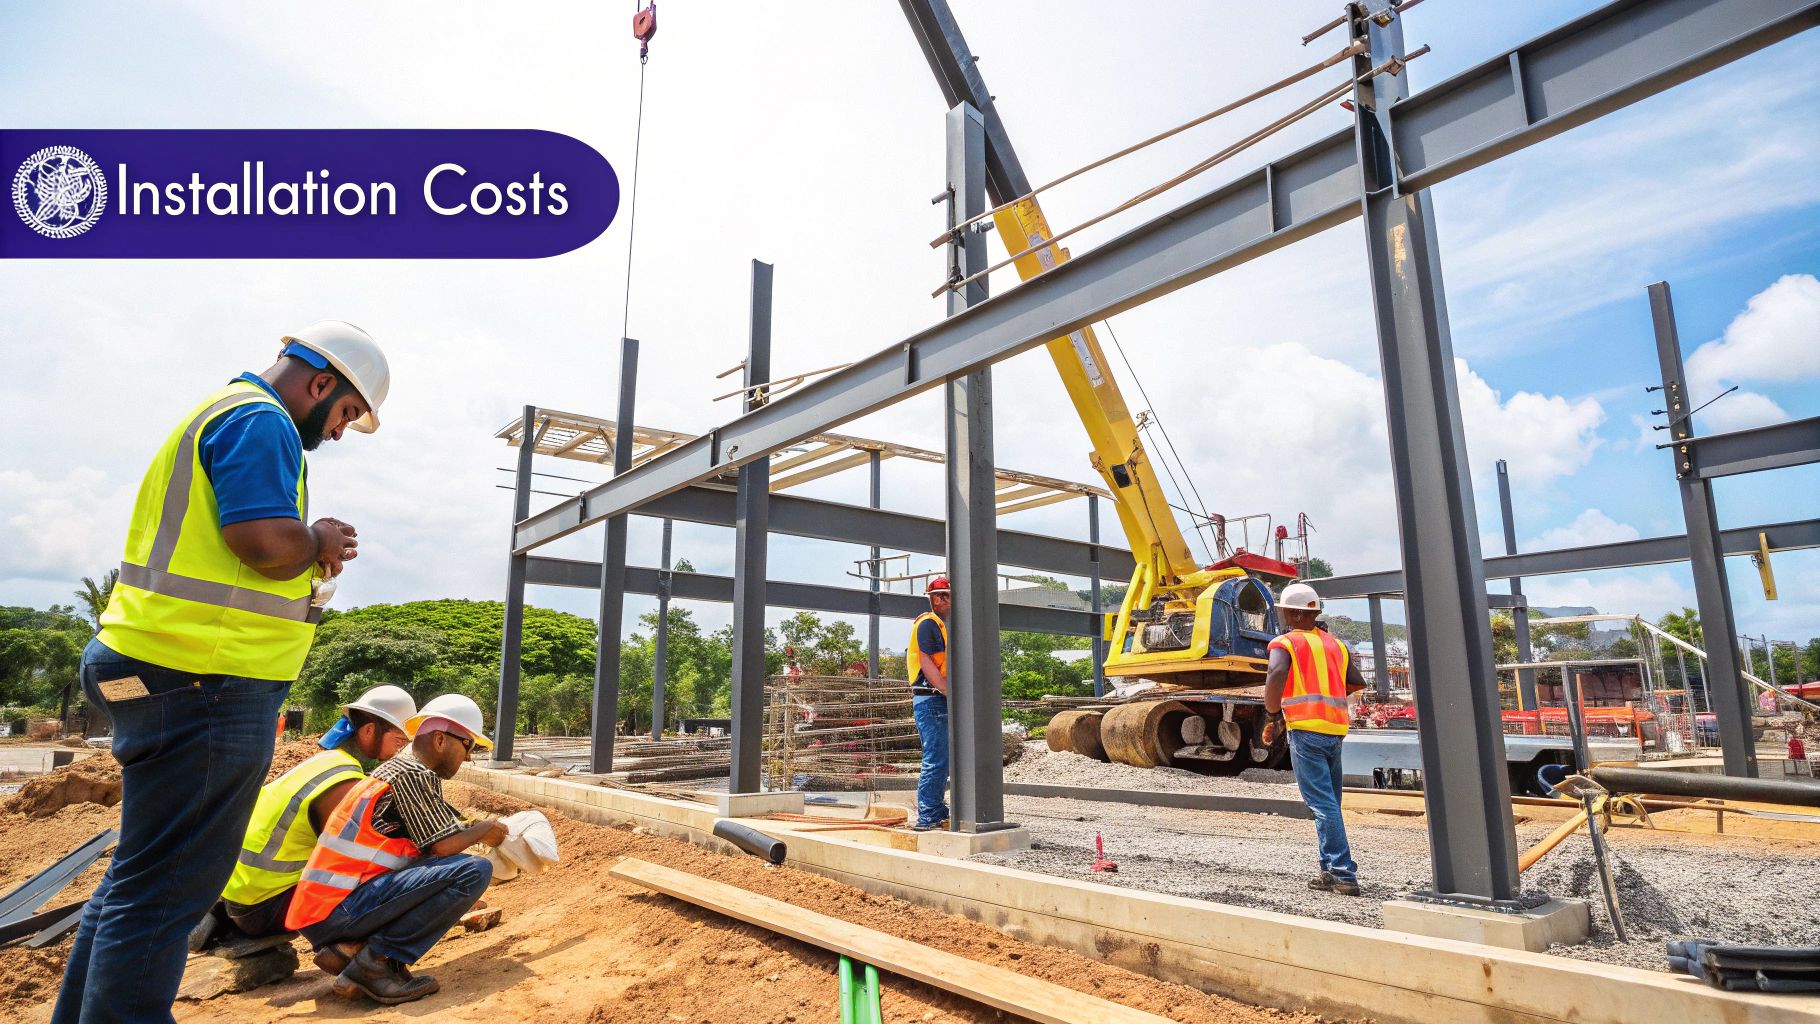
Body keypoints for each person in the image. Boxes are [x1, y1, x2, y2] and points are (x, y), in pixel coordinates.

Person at [53, 322, 390, 1024]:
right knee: (171, 887)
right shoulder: (261, 422)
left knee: (139, 879)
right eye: (346, 413)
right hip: (201, 682)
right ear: (321, 382)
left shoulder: (218, 413)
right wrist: (317, 541)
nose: (337, 430)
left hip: (156, 666)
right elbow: (265, 543)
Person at [286, 694, 508, 1005]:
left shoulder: (399, 770)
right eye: (468, 746)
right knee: (473, 871)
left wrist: (475, 830)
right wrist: (485, 830)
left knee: (449, 867)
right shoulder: (412, 773)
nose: (467, 758)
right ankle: (376, 964)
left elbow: (442, 836)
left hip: (328, 908)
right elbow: (443, 847)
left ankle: (354, 951)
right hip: (336, 909)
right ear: (442, 740)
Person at [190, 685, 417, 951]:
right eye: (399, 741)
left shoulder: (324, 763)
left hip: (239, 895)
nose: (399, 751)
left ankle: (218, 919)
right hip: (265, 909)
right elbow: (352, 856)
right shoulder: (345, 782)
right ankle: (350, 950)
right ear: (369, 731)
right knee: (385, 870)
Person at [1261, 582, 1368, 897]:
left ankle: (1343, 873)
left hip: (1306, 729)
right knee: (1330, 803)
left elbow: (1275, 674)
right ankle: (1328, 871)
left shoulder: (1285, 643)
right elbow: (1356, 682)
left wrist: (1272, 715)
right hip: (1335, 730)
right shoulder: (1335, 644)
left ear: (1293, 613)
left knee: (1321, 804)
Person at [907, 575, 952, 832]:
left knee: (942, 758)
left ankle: (936, 809)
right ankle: (928, 816)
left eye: (947, 596)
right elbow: (926, 663)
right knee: (936, 758)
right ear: (934, 599)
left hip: (936, 699)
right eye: (941, 596)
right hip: (932, 699)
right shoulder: (928, 623)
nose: (945, 601)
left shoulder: (943, 626)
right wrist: (948, 691)